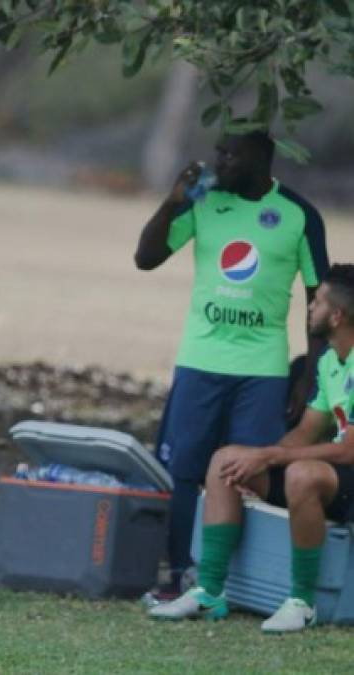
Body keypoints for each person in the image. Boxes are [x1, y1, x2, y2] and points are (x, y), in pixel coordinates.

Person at [134, 131, 329, 599]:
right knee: (185, 469)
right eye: (217, 150)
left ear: (261, 158)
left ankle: (248, 581)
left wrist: (310, 374)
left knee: (254, 473)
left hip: (263, 369)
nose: (218, 160)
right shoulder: (203, 202)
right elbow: (146, 258)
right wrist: (170, 203)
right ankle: (180, 572)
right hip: (200, 361)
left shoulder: (299, 215)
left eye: (229, 153)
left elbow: (319, 302)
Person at [150, 264, 354, 632]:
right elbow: (306, 433)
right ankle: (209, 591)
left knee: (302, 474)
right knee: (227, 460)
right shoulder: (329, 363)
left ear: (337, 316)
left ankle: (302, 603)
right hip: (340, 474)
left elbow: (348, 451)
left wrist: (273, 456)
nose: (309, 308)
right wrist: (259, 459)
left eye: (318, 302)